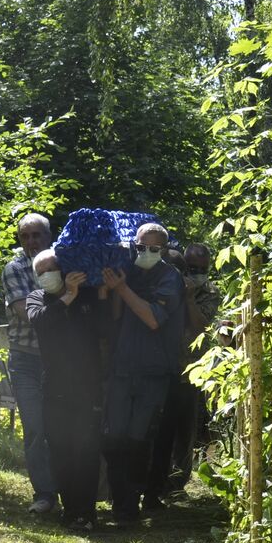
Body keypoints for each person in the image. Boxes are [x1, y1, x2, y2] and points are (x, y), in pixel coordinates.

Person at [101, 222, 184, 527]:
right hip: (122, 368)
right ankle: (120, 504)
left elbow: (152, 319)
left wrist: (122, 288)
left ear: (163, 250)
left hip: (153, 372)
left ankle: (130, 506)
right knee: (113, 438)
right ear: (133, 245)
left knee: (138, 440)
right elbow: (115, 317)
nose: (146, 253)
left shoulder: (171, 277)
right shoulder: (130, 272)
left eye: (154, 248)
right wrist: (112, 289)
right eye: (141, 247)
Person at [26, 249, 104, 532]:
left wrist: (83, 292)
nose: (47, 276)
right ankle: (70, 509)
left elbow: (104, 327)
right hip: (54, 388)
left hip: (87, 387)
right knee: (59, 450)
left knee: (86, 449)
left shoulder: (88, 295)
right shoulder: (36, 299)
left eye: (51, 269)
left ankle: (86, 512)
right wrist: (66, 297)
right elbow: (42, 322)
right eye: (41, 272)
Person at [147, 241, 223, 501]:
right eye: (191, 267)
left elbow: (201, 325)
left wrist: (190, 298)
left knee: (186, 426)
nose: (196, 272)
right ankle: (155, 479)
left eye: (201, 268)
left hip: (191, 369)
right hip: (162, 365)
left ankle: (178, 482)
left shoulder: (210, 292)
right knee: (159, 425)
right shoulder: (168, 283)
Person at [0, 212, 59, 514]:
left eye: (37, 235)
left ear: (49, 236)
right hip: (25, 358)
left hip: (59, 359)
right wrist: (64, 302)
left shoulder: (61, 260)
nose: (32, 241)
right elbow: (28, 314)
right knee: (35, 426)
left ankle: (69, 487)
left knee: (61, 425)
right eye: (26, 236)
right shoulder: (15, 268)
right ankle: (45, 493)